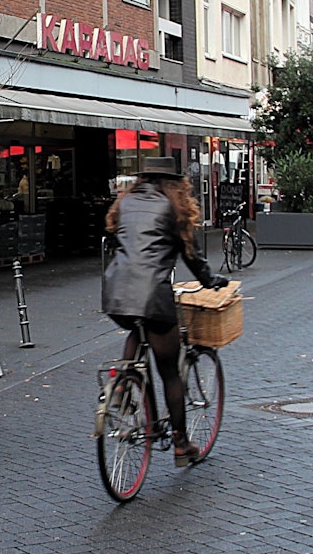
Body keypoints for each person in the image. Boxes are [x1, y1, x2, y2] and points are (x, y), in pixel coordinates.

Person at [102, 156, 228, 467]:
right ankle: (182, 446)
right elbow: (192, 255)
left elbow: (121, 242)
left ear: (143, 179)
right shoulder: (174, 209)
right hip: (153, 297)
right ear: (175, 182)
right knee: (169, 372)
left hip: (115, 293)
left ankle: (124, 380)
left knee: (136, 325)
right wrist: (211, 281)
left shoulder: (126, 203)